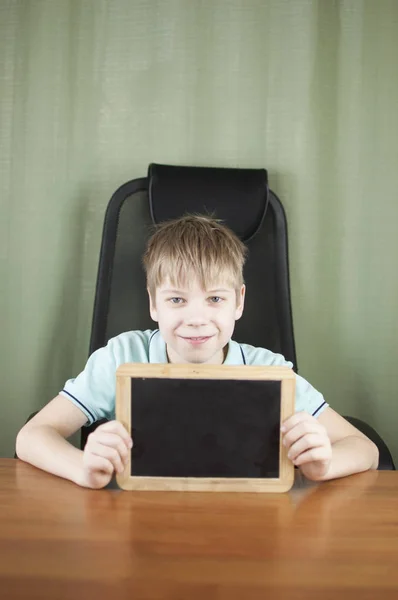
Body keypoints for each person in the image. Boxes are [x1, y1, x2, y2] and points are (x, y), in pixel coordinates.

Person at [16, 215, 379, 488]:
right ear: (153, 303)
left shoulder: (268, 370)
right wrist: (83, 468)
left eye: (215, 299)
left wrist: (323, 464)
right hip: (140, 522)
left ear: (238, 302)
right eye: (176, 299)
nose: (196, 319)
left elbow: (364, 449)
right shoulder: (121, 357)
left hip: (246, 524)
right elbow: (32, 436)